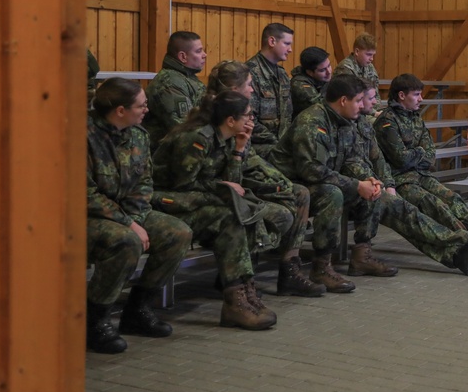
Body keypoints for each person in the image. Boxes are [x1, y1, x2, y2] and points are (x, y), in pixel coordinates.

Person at [268, 75, 468, 287]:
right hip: (294, 186)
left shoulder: (346, 122)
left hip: (326, 181)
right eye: (359, 101)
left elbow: (351, 160)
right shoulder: (312, 121)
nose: (364, 105)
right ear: (343, 100)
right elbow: (312, 171)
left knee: (388, 201)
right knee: (331, 194)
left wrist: (370, 180)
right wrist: (356, 185)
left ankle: (455, 252)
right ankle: (322, 267)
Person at [152, 91, 293, 330]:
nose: (252, 120)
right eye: (248, 114)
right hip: (172, 203)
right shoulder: (197, 138)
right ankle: (234, 300)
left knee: (255, 213)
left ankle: (244, 289)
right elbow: (182, 185)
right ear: (230, 120)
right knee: (232, 218)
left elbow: (234, 186)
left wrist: (238, 151)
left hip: (203, 200)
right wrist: (221, 187)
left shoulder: (229, 138)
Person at [202, 60, 329, 297]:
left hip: (243, 174)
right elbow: (221, 169)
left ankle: (289, 270)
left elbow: (248, 158)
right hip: (222, 186)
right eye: (249, 85)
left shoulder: (240, 112)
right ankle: (239, 275)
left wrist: (281, 183)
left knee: (298, 192)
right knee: (274, 207)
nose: (252, 90)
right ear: (233, 88)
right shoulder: (210, 119)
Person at [86, 78, 193, 354]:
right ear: (120, 110)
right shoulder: (81, 136)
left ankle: (138, 310)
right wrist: (129, 223)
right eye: (141, 105)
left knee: (177, 233)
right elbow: (82, 193)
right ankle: (95, 320)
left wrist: (135, 217)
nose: (146, 109)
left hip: (128, 212)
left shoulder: (138, 135)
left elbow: (144, 183)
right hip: (82, 217)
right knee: (125, 241)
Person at [375, 73, 468, 261]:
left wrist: (418, 153)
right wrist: (420, 153)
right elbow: (401, 159)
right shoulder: (387, 121)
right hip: (401, 180)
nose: (421, 99)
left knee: (452, 198)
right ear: (402, 96)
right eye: (416, 94)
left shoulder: (415, 118)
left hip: (420, 174)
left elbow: (431, 155)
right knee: (435, 204)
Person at [144, 31, 209, 148]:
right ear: (183, 57)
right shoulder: (170, 83)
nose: (205, 55)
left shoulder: (186, 77)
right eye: (199, 51)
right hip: (165, 155)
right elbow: (185, 127)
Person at [246, 23, 294, 158]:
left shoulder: (282, 74)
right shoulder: (250, 73)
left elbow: (288, 115)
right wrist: (278, 143)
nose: (290, 49)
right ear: (272, 41)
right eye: (287, 44)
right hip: (258, 147)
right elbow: (248, 120)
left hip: (281, 146)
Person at [290, 46, 332, 118]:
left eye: (329, 66)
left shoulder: (323, 79)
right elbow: (320, 107)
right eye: (322, 70)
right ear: (310, 73)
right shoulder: (299, 84)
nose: (329, 72)